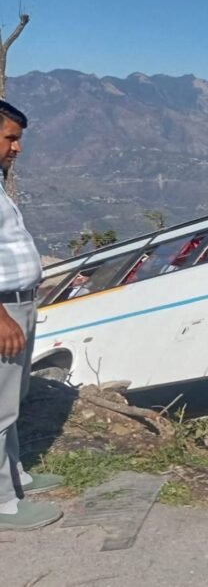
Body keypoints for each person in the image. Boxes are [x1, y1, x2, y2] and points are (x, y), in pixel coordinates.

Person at [0, 100, 64, 531]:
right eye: (10, 138)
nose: (17, 148)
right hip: (3, 309)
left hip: (19, 304)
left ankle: (15, 476)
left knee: (12, 398)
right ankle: (3, 503)